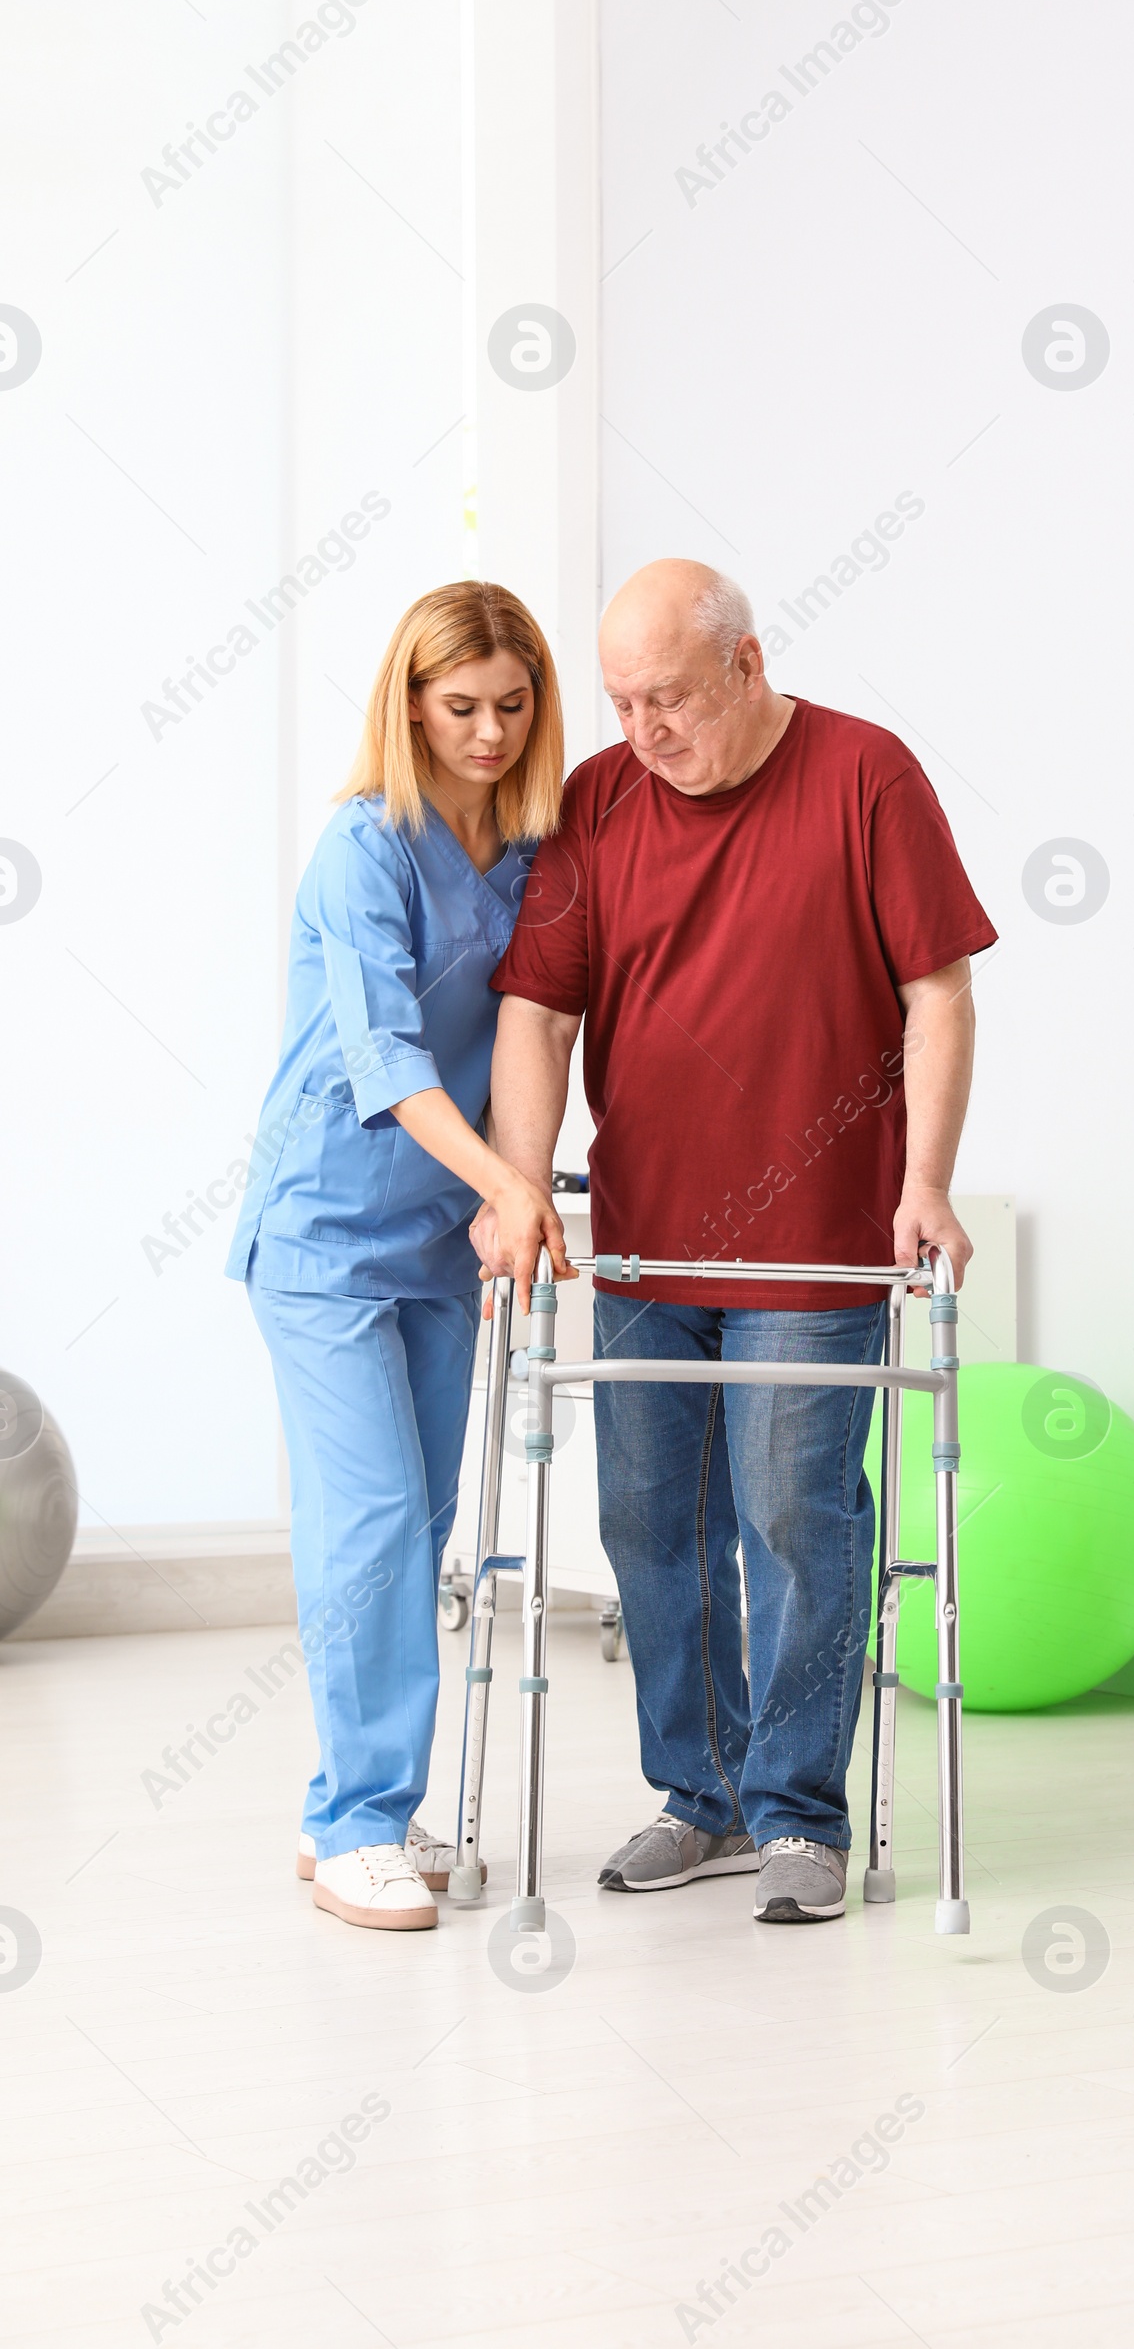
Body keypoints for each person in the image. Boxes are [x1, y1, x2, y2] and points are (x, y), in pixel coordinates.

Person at [476, 558, 996, 1923]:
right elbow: (538, 1010)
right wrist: (522, 1183)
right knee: (653, 1520)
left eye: (669, 700)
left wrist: (928, 1181)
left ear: (747, 669)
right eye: (622, 701)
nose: (643, 730)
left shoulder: (866, 776)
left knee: (793, 1512)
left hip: (818, 1248)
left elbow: (937, 995)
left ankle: (799, 1818)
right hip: (649, 1244)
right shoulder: (598, 801)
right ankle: (696, 1798)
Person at [228, 582, 565, 1932]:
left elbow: (538, 1033)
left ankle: (357, 1806)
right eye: (459, 708)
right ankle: (355, 1817)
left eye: (511, 706)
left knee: (412, 1530)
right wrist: (508, 1184)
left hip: (440, 1235)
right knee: (366, 1526)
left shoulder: (535, 854)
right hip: (323, 1231)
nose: (487, 734)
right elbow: (387, 1056)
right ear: (410, 706)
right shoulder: (361, 849)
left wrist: (500, 1193)